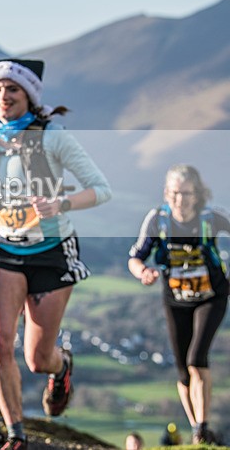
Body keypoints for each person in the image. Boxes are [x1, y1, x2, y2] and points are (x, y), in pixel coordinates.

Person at [0, 58, 111, 450]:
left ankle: (61, 369)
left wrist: (61, 204)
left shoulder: (53, 136)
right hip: (3, 251)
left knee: (38, 359)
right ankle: (16, 433)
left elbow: (101, 188)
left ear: (28, 96)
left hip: (51, 252)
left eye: (12, 89)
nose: (2, 96)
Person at [128, 165, 229, 446]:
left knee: (197, 359)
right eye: (173, 193)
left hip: (212, 296)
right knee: (184, 371)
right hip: (176, 301)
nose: (179, 200)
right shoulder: (158, 220)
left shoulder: (212, 218)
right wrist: (142, 273)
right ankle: (197, 425)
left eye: (185, 194)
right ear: (165, 193)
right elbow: (136, 257)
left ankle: (201, 429)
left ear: (197, 195)